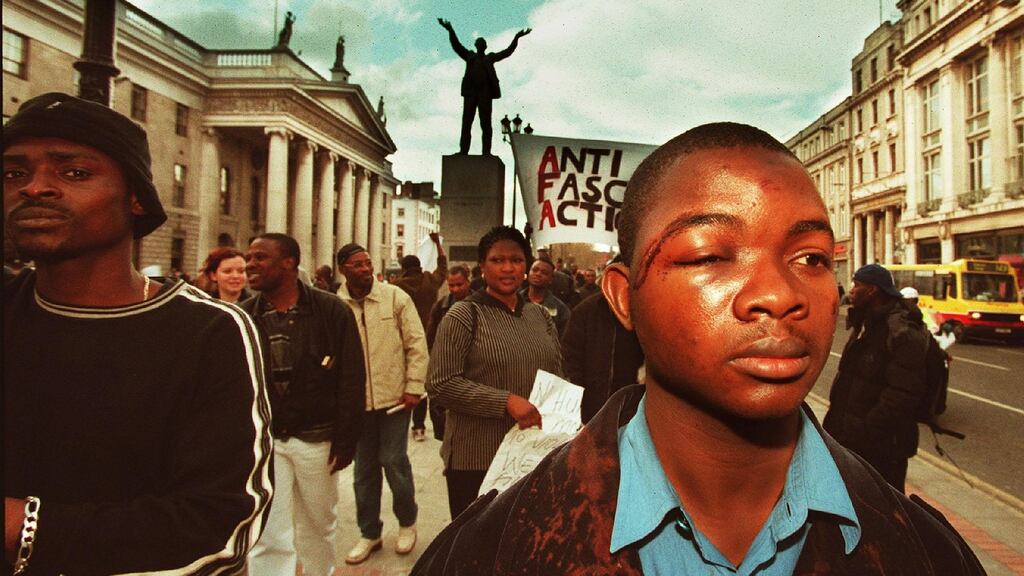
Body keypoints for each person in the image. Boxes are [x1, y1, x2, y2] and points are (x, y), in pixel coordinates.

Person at [412, 123, 983, 574]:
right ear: (623, 297)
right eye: (709, 255)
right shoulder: (486, 552)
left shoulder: (929, 554)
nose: (778, 295)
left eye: (810, 257)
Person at [3, 92, 273, 574]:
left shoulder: (210, 331)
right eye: (13, 173)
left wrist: (23, 526)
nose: (34, 188)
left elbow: (220, 528)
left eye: (74, 172)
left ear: (135, 197)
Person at [242, 233, 365, 575]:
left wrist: (345, 440)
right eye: (248, 258)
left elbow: (352, 380)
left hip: (318, 441)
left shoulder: (331, 311)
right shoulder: (242, 316)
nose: (250, 264)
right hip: (266, 443)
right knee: (267, 532)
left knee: (318, 528)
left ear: (289, 263)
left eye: (259, 258)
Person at [425, 226, 563, 520]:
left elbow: (557, 376)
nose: (507, 268)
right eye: (497, 260)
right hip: (476, 459)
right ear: (483, 267)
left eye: (516, 260)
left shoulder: (538, 315)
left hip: (531, 457)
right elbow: (440, 384)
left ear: (526, 265)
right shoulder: (463, 315)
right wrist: (506, 402)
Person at [336, 243, 428, 564]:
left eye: (368, 263)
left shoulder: (395, 297)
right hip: (357, 405)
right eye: (357, 264)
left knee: (393, 460)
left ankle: (406, 522)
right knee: (363, 470)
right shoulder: (336, 305)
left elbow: (417, 343)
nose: (365, 269)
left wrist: (414, 387)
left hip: (395, 400)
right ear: (343, 270)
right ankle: (369, 532)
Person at [823, 263, 931, 493]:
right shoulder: (866, 323)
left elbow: (903, 393)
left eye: (857, 285)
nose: (851, 290)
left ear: (872, 290)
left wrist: (867, 430)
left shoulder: (900, 331)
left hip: (883, 447)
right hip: (853, 441)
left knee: (884, 510)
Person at [437, 18, 531, 156]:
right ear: (476, 45)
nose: (480, 45)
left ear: (485, 47)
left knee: (486, 124)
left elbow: (507, 52)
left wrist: (517, 37)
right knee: (466, 123)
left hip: (485, 94)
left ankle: (486, 152)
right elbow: (456, 45)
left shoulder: (490, 58)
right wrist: (450, 30)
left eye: (482, 44)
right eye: (479, 43)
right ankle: (463, 151)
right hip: (471, 93)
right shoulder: (469, 56)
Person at [561, 279, 645, 424]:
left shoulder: (646, 312)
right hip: (588, 411)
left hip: (632, 411)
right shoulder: (586, 311)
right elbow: (570, 358)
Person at [392, 233, 448, 441]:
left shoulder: (396, 286)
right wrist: (438, 245)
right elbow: (443, 267)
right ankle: (419, 427)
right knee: (421, 383)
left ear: (404, 268)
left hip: (403, 339)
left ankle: (399, 424)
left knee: (402, 380)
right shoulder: (429, 281)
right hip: (428, 337)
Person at [424, 265, 474, 441]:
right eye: (451, 285)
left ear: (468, 281)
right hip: (447, 367)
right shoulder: (441, 306)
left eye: (459, 284)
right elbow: (431, 338)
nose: (455, 289)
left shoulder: (480, 304)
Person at [519, 256, 572, 335]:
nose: (538, 274)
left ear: (551, 279)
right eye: (534, 270)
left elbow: (565, 339)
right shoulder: (514, 301)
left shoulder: (560, 309)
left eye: (544, 273)